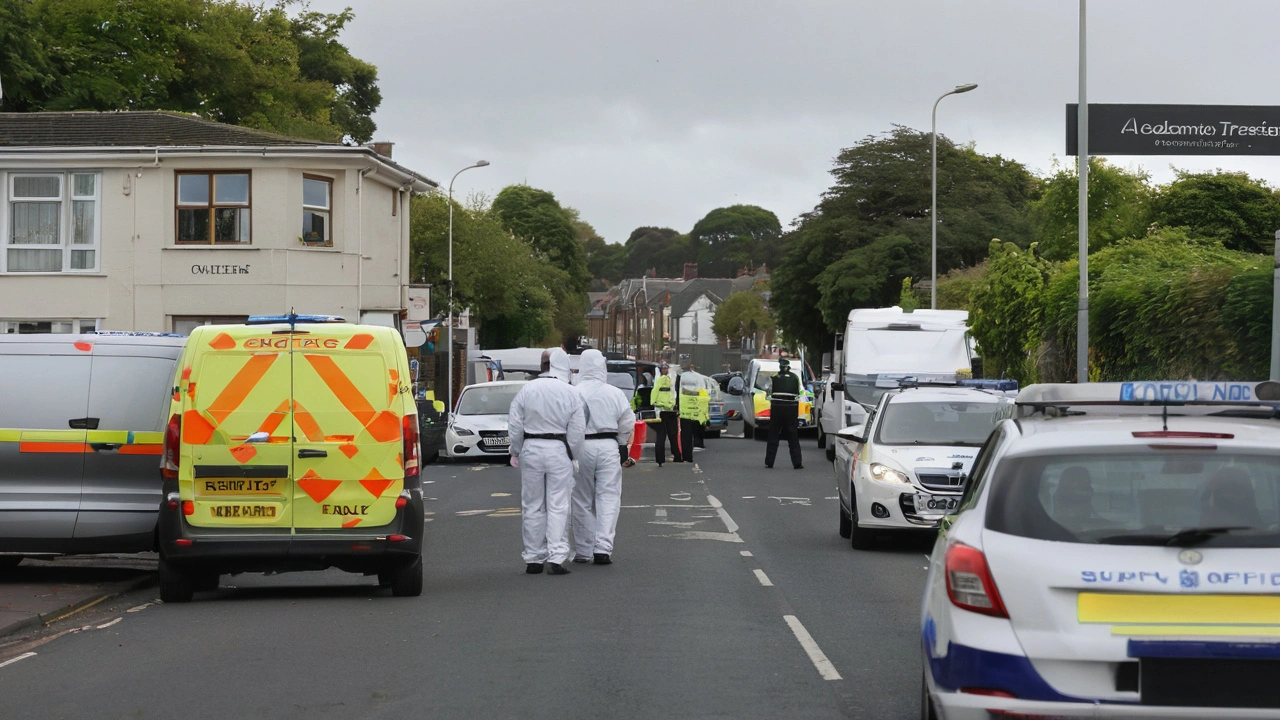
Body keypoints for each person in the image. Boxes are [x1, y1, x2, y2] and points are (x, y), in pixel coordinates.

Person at [508, 348, 585, 575]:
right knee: (558, 504)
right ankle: (557, 556)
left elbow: (514, 425)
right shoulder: (570, 392)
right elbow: (577, 430)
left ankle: (533, 557)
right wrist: (573, 455)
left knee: (532, 504)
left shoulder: (526, 390)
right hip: (559, 448)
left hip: (531, 446)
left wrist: (516, 450)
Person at [570, 350, 636, 566]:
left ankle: (583, 549)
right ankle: (603, 548)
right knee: (608, 497)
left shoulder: (574, 392)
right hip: (609, 445)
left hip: (582, 446)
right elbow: (627, 420)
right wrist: (622, 443)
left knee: (581, 499)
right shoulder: (614, 393)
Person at [765, 357, 803, 469]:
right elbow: (798, 393)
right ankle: (797, 462)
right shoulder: (794, 378)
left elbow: (769, 392)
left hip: (777, 408)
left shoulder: (775, 377)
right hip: (791, 409)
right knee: (793, 436)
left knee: (773, 435)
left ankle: (769, 462)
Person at [651, 360, 679, 466]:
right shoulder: (669, 379)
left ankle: (661, 459)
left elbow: (654, 393)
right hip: (666, 410)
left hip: (663, 410)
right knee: (670, 435)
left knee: (663, 436)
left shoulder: (659, 379)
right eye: (664, 368)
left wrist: (654, 404)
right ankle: (675, 456)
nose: (665, 370)